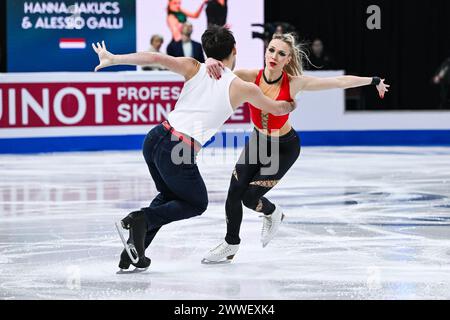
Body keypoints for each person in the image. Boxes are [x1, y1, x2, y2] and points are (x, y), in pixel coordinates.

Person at [91, 26, 297, 270]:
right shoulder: (243, 87)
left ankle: (134, 251)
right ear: (234, 50)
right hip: (177, 150)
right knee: (196, 203)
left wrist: (114, 59)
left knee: (170, 197)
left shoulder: (193, 66)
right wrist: (291, 103)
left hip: (155, 138)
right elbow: (276, 109)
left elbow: (155, 58)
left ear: (206, 51)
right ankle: (140, 219)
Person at [202, 32, 389, 264]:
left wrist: (373, 80)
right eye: (271, 50)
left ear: (288, 59)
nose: (274, 56)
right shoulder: (249, 76)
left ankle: (272, 213)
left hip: (284, 148)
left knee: (250, 198)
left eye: (281, 53)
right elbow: (216, 74)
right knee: (234, 192)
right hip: (258, 141)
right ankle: (231, 243)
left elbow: (339, 82)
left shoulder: (294, 83)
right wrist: (209, 61)